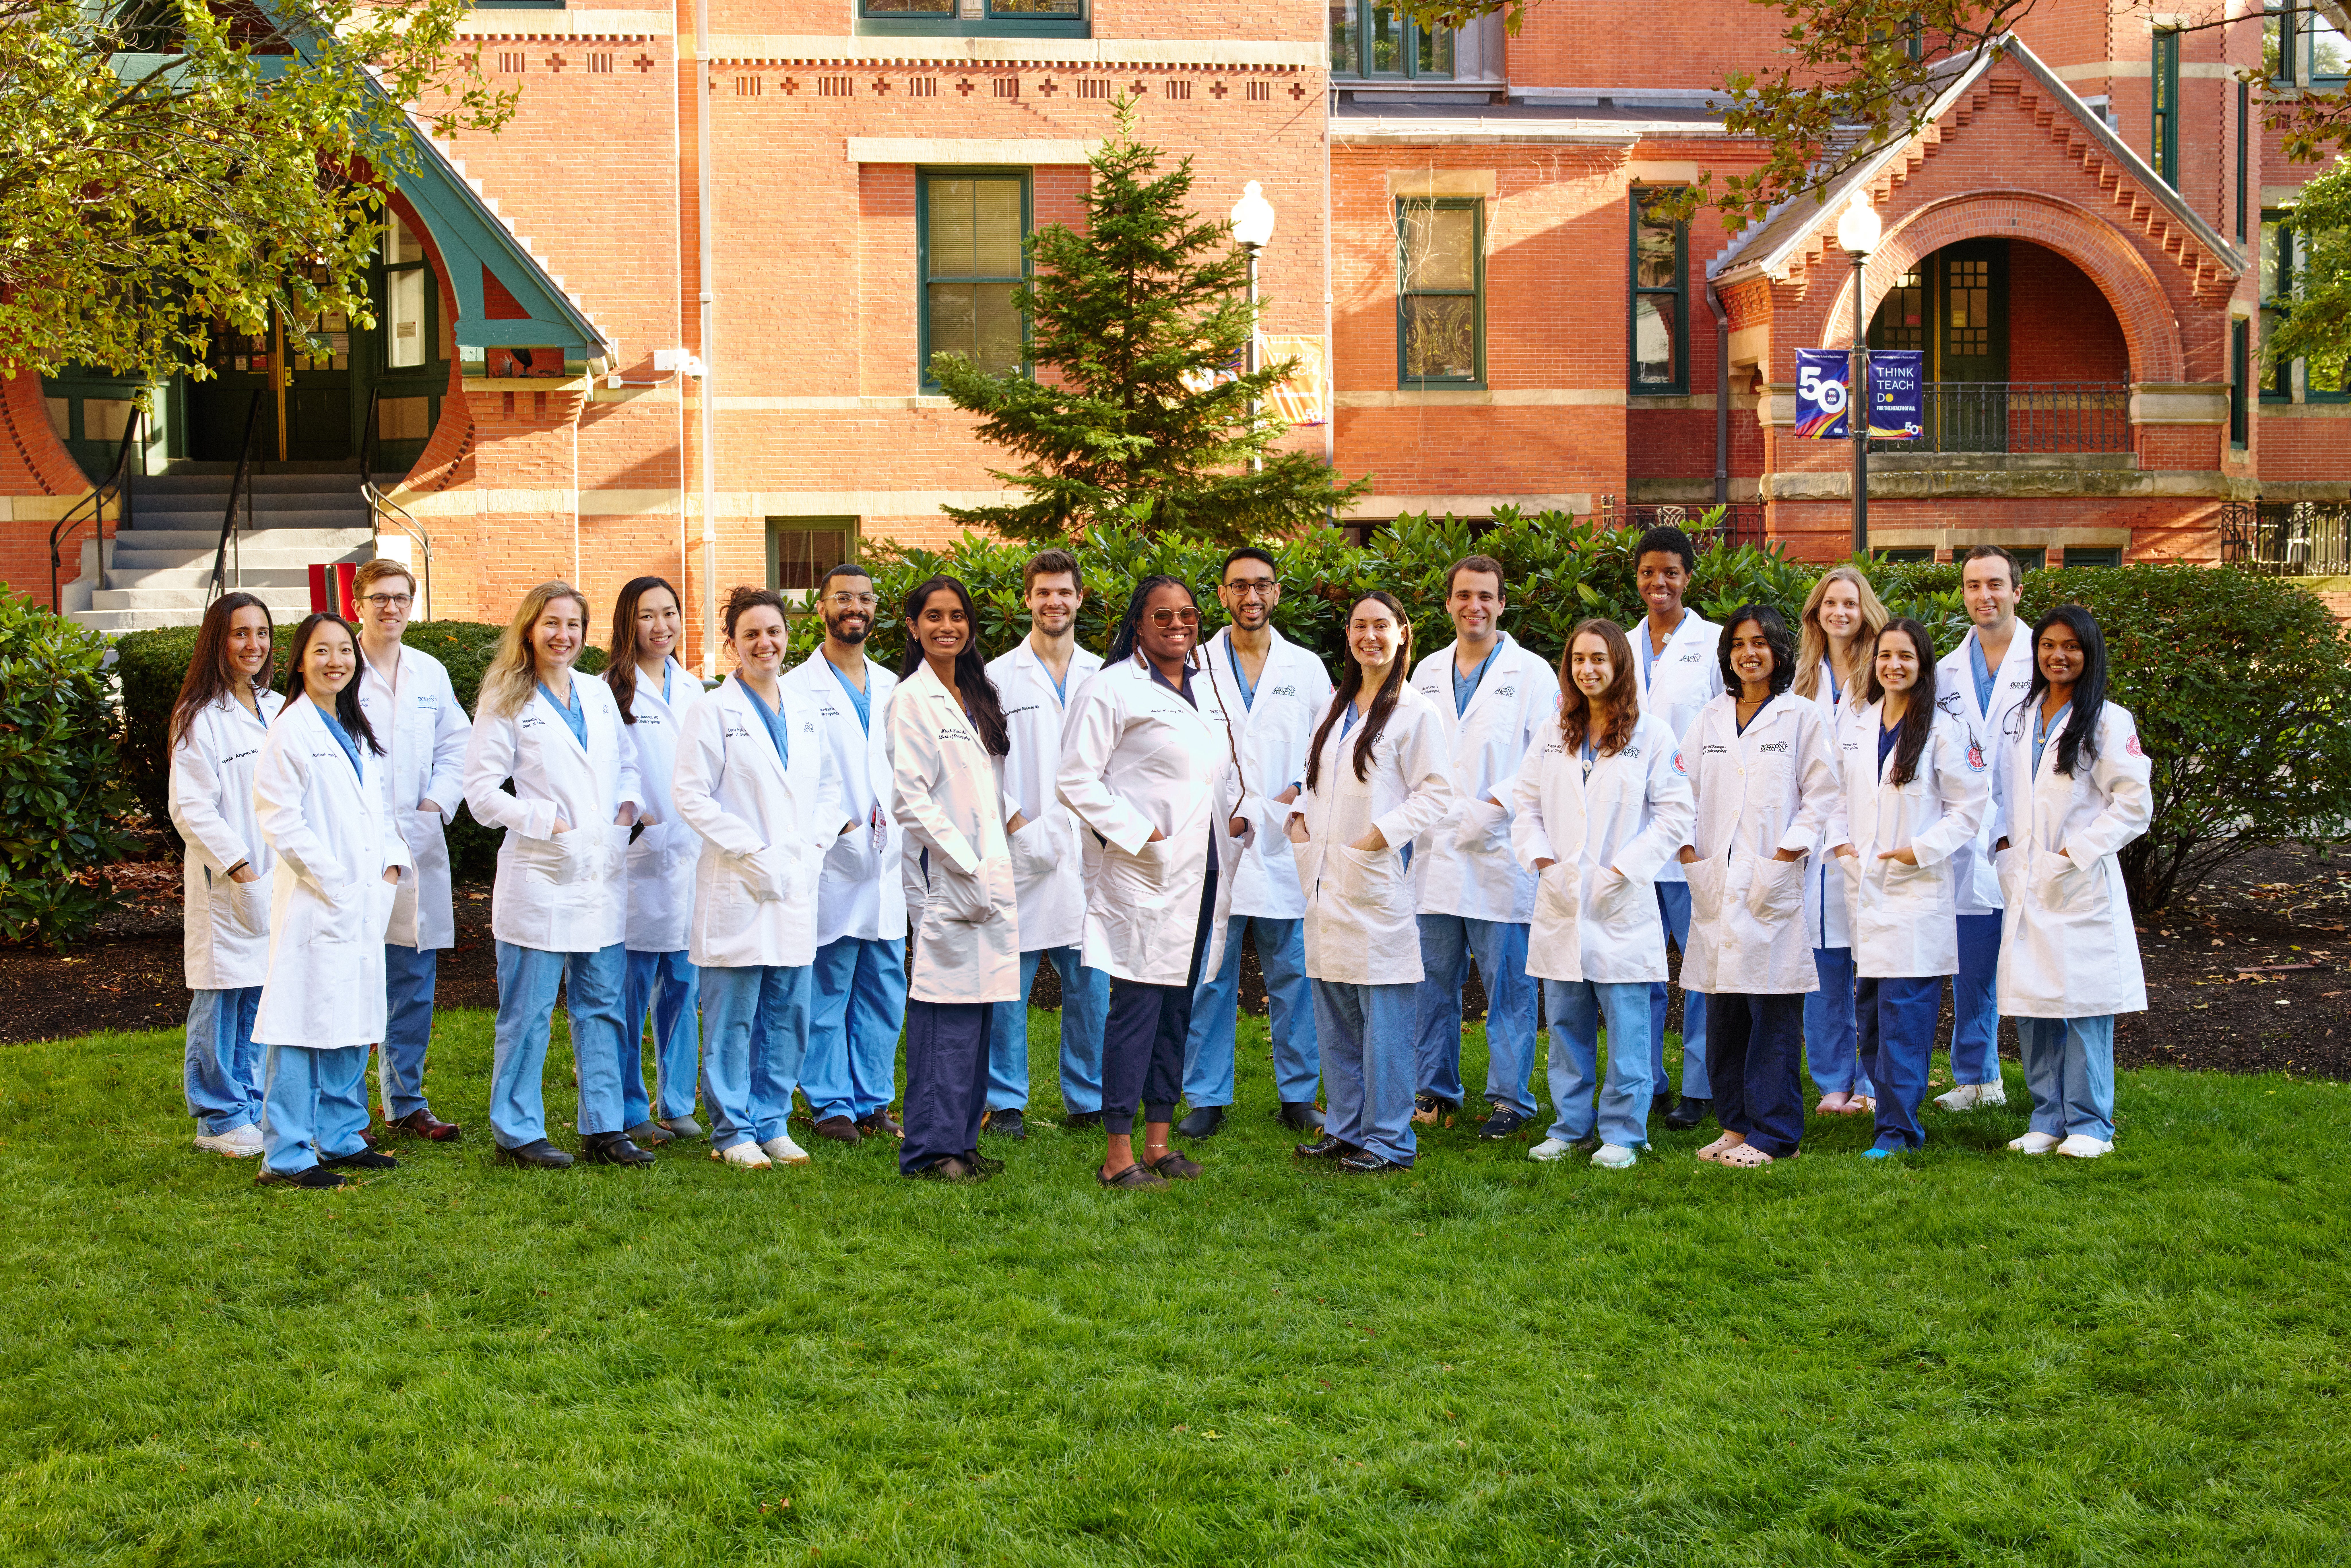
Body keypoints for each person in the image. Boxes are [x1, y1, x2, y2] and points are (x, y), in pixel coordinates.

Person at [1057, 575, 1246, 1189]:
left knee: (1177, 1011)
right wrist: (1145, 835)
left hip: (1207, 870)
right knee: (1136, 1012)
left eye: (1187, 614)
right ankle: (1117, 1153)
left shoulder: (1206, 688)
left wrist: (1239, 816)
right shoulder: (1111, 688)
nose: (1177, 624)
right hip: (1149, 871)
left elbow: (1224, 767)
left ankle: (1160, 1143)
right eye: (1161, 615)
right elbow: (1076, 780)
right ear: (1137, 623)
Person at [461, 582, 649, 1169]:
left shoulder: (596, 692)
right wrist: (547, 822)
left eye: (573, 624)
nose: (563, 635)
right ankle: (516, 1132)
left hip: (600, 872)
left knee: (601, 1005)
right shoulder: (506, 695)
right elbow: (480, 793)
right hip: (542, 875)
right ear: (529, 629)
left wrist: (625, 812)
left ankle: (605, 1126)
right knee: (529, 1012)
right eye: (551, 623)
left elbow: (626, 763)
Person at [673, 586, 847, 1169]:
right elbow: (690, 795)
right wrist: (752, 851)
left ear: (787, 636)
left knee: (788, 1014)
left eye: (772, 631)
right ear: (732, 645)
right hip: (738, 883)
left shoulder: (802, 710)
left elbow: (829, 789)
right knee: (734, 1017)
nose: (764, 642)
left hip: (796, 882)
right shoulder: (712, 709)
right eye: (750, 634)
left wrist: (813, 849)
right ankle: (731, 1130)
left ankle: (771, 1120)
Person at [1511, 619, 1694, 1169]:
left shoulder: (1653, 736)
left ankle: (1625, 1132)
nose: (1587, 669)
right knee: (1566, 1026)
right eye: (1578, 660)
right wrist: (1544, 860)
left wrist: (1624, 868)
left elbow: (1676, 813)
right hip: (1562, 899)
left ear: (1619, 665)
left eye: (1599, 659)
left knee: (1629, 1030)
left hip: (1621, 903)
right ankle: (1570, 1127)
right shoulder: (1552, 732)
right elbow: (1526, 807)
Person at [1290, 591, 1455, 1175]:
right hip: (1326, 882)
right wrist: (1299, 823)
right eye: (1360, 626)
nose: (1369, 637)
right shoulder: (1335, 707)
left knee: (1384, 1024)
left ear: (1403, 634)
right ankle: (1345, 1127)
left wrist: (1378, 837)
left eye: (1381, 626)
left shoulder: (1416, 712)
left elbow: (1437, 792)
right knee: (1336, 1017)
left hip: (1372, 879)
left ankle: (1390, 1140)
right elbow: (1318, 781)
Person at [250, 614, 412, 1187]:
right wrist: (337, 881)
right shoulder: (291, 728)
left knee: (352, 1016)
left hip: (364, 899)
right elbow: (279, 819)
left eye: (344, 650)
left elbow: (380, 810)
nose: (335, 661)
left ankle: (342, 1135)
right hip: (318, 903)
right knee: (299, 1024)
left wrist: (392, 863)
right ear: (299, 661)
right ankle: (288, 1153)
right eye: (322, 651)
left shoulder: (353, 728)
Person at [1676, 603, 1840, 1169]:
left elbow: (1823, 794)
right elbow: (1683, 792)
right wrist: (1690, 855)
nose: (1749, 652)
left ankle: (1774, 1133)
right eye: (1739, 643)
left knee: (1770, 1016)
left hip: (1770, 881)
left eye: (1761, 642)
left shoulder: (1801, 717)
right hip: (1717, 883)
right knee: (1724, 1014)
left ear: (1779, 651)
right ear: (1727, 654)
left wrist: (1785, 852)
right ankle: (1734, 1123)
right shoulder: (1710, 719)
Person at [1181, 546, 1334, 1137]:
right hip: (1213, 840)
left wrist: (1290, 794)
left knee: (1294, 973)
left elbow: (1324, 747)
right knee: (1212, 973)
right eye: (1239, 586)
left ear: (1276, 593)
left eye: (1262, 585)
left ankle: (1298, 1094)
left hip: (1279, 841)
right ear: (1221, 595)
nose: (1251, 597)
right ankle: (1206, 1096)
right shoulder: (1194, 663)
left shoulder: (1306, 667)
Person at [1824, 618, 1990, 1156]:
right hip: (1865, 887)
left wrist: (1919, 851)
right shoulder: (1857, 725)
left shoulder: (1944, 730)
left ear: (1923, 667)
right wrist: (1840, 844)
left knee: (1904, 1018)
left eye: (1906, 657)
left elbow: (1970, 812)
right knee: (1871, 1015)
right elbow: (1833, 796)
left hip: (1913, 890)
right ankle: (1890, 1113)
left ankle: (1898, 1129)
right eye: (1885, 656)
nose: (1893, 665)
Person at [1992, 605, 2151, 1158]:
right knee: (2034, 1005)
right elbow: (1998, 792)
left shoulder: (2110, 721)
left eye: (2071, 647)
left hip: (2076, 880)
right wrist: (2004, 846)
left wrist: (2073, 851)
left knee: (2083, 1006)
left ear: (2090, 654)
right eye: (2048, 645)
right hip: (2027, 879)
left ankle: (2090, 1126)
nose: (2058, 656)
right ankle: (2047, 1116)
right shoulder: (2020, 716)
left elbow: (2134, 805)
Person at [1406, 554, 1554, 1139]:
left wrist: (1491, 807)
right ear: (1448, 603)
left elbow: (1546, 757)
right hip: (1436, 852)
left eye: (1486, 596)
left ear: (1501, 603)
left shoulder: (1533, 673)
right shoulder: (1423, 672)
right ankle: (1435, 1089)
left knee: (1509, 988)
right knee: (1431, 984)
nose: (1475, 606)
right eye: (1464, 595)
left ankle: (1509, 1099)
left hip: (1500, 851)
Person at [891, 575, 1021, 1182]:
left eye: (958, 615)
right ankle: (929, 1150)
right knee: (943, 1018)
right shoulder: (911, 699)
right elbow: (910, 800)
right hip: (949, 875)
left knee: (978, 1014)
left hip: (988, 871)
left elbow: (990, 789)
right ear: (914, 626)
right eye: (934, 616)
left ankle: (962, 1142)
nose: (948, 626)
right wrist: (965, 861)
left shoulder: (975, 691)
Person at [781, 564, 909, 1146]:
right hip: (833, 858)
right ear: (821, 608)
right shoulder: (795, 689)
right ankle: (831, 1101)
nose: (853, 607)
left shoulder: (893, 685)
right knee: (828, 988)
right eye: (842, 599)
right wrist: (838, 826)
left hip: (888, 861)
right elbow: (794, 775)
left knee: (884, 990)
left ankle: (873, 1100)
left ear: (874, 607)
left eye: (863, 598)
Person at [983, 549, 1109, 1139]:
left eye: (1064, 592)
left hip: (1091, 853)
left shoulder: (1104, 676)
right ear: (1026, 600)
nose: (1054, 602)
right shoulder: (997, 676)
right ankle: (1006, 1098)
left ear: (1080, 598)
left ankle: (1088, 1097)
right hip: (1022, 847)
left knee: (1090, 982)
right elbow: (983, 762)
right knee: (1009, 980)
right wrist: (1015, 826)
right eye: (1043, 592)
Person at [350, 558, 472, 1143]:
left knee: (413, 978)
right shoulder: (337, 667)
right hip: (356, 845)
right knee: (352, 973)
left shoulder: (430, 673)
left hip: (418, 841)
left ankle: (406, 1100)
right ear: (358, 604)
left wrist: (437, 802)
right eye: (379, 598)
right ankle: (344, 1107)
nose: (391, 607)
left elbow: (459, 745)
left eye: (400, 597)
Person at [168, 592, 285, 1158]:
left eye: (262, 633)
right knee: (222, 997)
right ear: (219, 640)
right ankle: (217, 1118)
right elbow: (191, 806)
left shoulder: (280, 707)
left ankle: (252, 1106)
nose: (254, 645)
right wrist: (239, 866)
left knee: (260, 998)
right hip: (231, 879)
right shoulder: (200, 718)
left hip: (276, 877)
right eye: (241, 633)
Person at [1932, 545, 2036, 1111]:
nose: (1983, 596)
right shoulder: (1946, 670)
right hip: (1969, 840)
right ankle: (1978, 1078)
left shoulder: (2042, 659)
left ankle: (2061, 1082)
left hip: (2026, 832)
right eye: (1973, 585)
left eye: (1995, 584)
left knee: (2042, 961)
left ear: (2017, 591)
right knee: (1972, 964)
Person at [605, 575, 708, 1145]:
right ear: (629, 623)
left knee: (682, 987)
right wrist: (641, 824)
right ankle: (627, 1102)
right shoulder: (607, 691)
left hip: (690, 857)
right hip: (636, 862)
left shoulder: (695, 688)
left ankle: (677, 1100)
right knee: (627, 993)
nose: (661, 625)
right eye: (648, 615)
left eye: (670, 613)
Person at [1630, 525, 1726, 1130]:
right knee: (1638, 968)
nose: (1658, 582)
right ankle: (1647, 1079)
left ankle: (1699, 1085)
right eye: (1647, 572)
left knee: (1701, 966)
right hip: (1633, 838)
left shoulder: (1714, 645)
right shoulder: (1618, 643)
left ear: (1688, 577)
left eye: (1670, 572)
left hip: (1693, 834)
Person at [1790, 566, 1888, 1117]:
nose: (1840, 613)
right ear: (1817, 613)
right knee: (1823, 970)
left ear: (1864, 609)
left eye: (1850, 603)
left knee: (1872, 967)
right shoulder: (1802, 676)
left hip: (1865, 837)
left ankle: (1874, 1082)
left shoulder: (1884, 670)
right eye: (1831, 604)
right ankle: (1833, 1081)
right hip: (1814, 843)